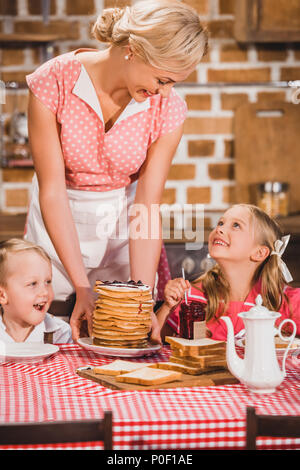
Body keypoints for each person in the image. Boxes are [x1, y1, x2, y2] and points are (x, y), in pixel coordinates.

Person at [24, 0, 209, 341]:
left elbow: (147, 205)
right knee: (50, 336)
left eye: (172, 83)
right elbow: (52, 189)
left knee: (118, 338)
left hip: (122, 235)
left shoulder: (167, 107)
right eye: (162, 79)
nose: (164, 91)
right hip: (57, 231)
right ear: (133, 50)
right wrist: (81, 286)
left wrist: (142, 299)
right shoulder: (54, 81)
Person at [156, 204, 300, 342]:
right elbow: (159, 340)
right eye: (220, 223)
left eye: (236, 225)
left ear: (259, 252)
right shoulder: (194, 297)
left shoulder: (285, 301)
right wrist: (168, 306)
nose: (220, 229)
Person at [0, 239, 72, 344]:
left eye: (48, 282)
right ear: (2, 295)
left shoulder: (60, 333)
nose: (44, 292)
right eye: (33, 284)